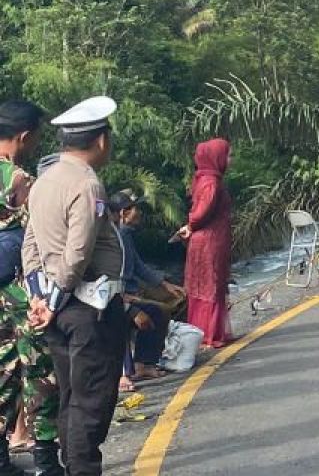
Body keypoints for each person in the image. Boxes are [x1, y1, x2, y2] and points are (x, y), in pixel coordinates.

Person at [23, 96, 125, 476]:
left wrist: (39, 297)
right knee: (91, 402)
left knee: (71, 397)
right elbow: (77, 254)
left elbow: (31, 247)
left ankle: (71, 468)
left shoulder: (44, 181)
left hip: (57, 310)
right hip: (88, 310)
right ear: (100, 141)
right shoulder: (87, 185)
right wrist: (54, 298)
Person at [0, 101, 60, 476]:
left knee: (2, 371)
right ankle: (45, 461)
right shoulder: (19, 180)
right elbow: (45, 237)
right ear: (23, 137)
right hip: (22, 294)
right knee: (40, 370)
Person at [112, 191, 186, 382]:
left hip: (132, 290)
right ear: (124, 213)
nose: (139, 213)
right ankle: (137, 366)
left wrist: (164, 284)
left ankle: (144, 362)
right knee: (157, 311)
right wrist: (126, 298)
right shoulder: (117, 236)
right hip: (120, 294)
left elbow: (137, 265)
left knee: (174, 300)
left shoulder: (126, 235)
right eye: (135, 208)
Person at [177, 139, 233, 348]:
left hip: (207, 239)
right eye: (228, 155)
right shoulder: (211, 182)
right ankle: (210, 332)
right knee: (212, 283)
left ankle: (205, 331)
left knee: (206, 283)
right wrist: (191, 223)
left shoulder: (204, 179)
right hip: (211, 240)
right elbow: (201, 212)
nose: (230, 160)